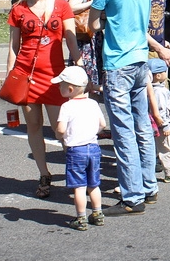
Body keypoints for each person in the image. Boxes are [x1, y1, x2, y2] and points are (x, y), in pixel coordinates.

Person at [89, 0, 158, 215]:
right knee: (142, 124)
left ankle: (132, 196)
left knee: (123, 130)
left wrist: (104, 21)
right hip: (141, 57)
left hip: (118, 60)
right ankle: (149, 185)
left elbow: (93, 23)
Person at [6, 0, 83, 199]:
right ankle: (44, 174)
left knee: (62, 129)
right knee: (34, 126)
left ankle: (75, 171)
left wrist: (79, 67)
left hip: (55, 76)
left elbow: (71, 40)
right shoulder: (18, 8)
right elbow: (13, 46)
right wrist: (10, 76)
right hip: (26, 75)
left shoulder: (61, 6)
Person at [52, 65, 106, 231]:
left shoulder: (67, 107)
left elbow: (61, 129)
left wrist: (59, 136)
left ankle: (81, 217)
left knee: (79, 186)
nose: (58, 87)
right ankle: (97, 213)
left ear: (69, 89)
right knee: (93, 184)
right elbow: (102, 124)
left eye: (60, 85)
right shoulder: (92, 103)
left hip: (76, 150)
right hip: (93, 147)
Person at [67, 0, 104, 93]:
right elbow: (71, 7)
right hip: (85, 38)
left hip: (91, 37)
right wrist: (93, 2)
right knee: (85, 76)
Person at [146, 58, 170, 183]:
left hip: (151, 125)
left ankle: (150, 170)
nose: (165, 74)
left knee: (152, 148)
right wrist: (165, 126)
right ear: (158, 75)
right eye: (164, 72)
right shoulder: (160, 92)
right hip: (162, 126)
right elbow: (161, 110)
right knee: (168, 148)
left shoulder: (149, 89)